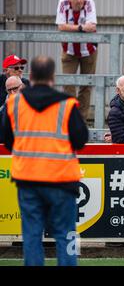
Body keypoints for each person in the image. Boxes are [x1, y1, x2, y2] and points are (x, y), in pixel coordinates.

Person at [0, 56, 88, 266]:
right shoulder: (67, 104)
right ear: (52, 77)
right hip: (61, 181)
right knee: (65, 235)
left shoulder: (14, 104)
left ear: (30, 76)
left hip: (28, 180)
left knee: (31, 236)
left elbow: (6, 139)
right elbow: (81, 139)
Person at [56, 0, 97, 122]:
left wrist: (71, 28)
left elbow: (92, 27)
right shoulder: (63, 3)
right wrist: (81, 27)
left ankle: (81, 120)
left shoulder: (89, 2)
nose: (79, 1)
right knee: (68, 84)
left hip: (89, 50)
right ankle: (70, 119)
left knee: (87, 85)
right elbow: (61, 26)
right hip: (69, 50)